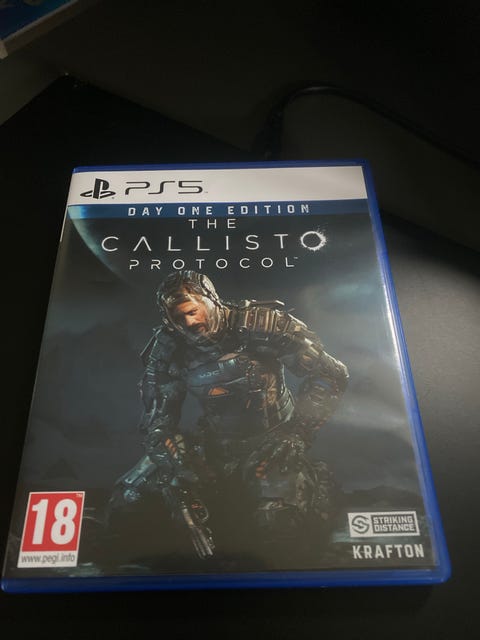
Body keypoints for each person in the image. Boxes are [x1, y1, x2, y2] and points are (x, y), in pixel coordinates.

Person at [109, 270, 348, 560]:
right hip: (213, 446)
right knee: (128, 499)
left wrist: (298, 433)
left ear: (211, 300)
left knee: (279, 524)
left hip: (271, 444)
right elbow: (158, 423)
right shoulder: (169, 348)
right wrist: (179, 476)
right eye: (178, 318)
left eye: (192, 312)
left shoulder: (264, 325)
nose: (189, 323)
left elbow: (330, 375)